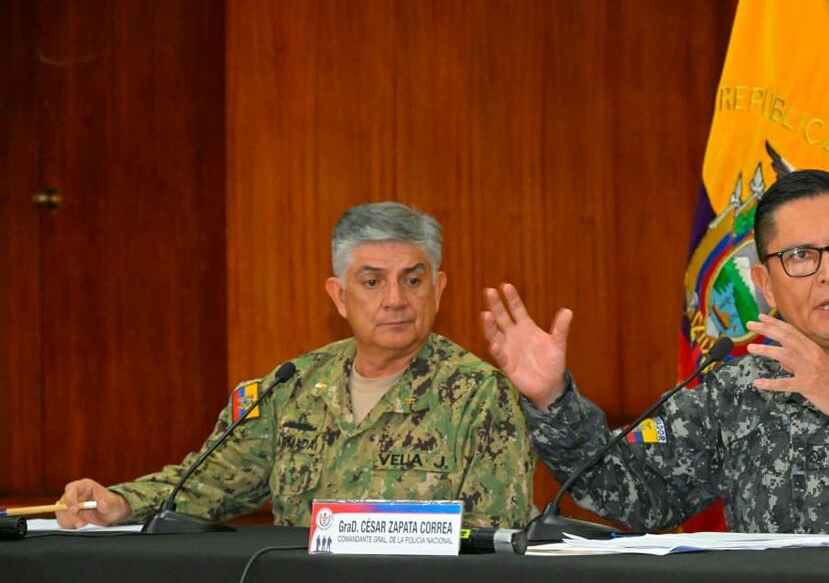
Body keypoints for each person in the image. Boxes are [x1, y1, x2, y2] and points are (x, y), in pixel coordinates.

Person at [481, 169, 829, 539]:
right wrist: (554, 400)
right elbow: (635, 493)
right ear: (766, 284)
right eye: (800, 256)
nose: (828, 273)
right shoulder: (736, 386)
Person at [58, 202, 535, 529]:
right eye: (372, 282)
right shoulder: (290, 389)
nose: (396, 300)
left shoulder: (482, 395)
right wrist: (120, 503)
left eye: (412, 280)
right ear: (338, 296)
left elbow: (492, 540)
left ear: (439, 289)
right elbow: (204, 486)